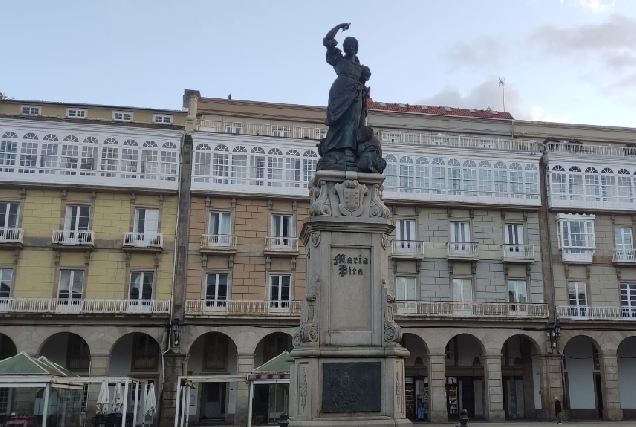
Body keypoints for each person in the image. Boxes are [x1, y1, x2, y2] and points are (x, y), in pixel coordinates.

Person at [318, 23, 371, 171]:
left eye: (353, 45)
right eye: (348, 45)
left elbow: (364, 84)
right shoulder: (338, 59)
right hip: (340, 92)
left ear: (357, 48)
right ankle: (333, 150)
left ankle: (349, 152)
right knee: (338, 123)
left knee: (353, 121)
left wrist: (363, 94)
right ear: (344, 46)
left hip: (355, 94)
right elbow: (328, 40)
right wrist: (338, 28)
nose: (350, 47)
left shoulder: (361, 68)